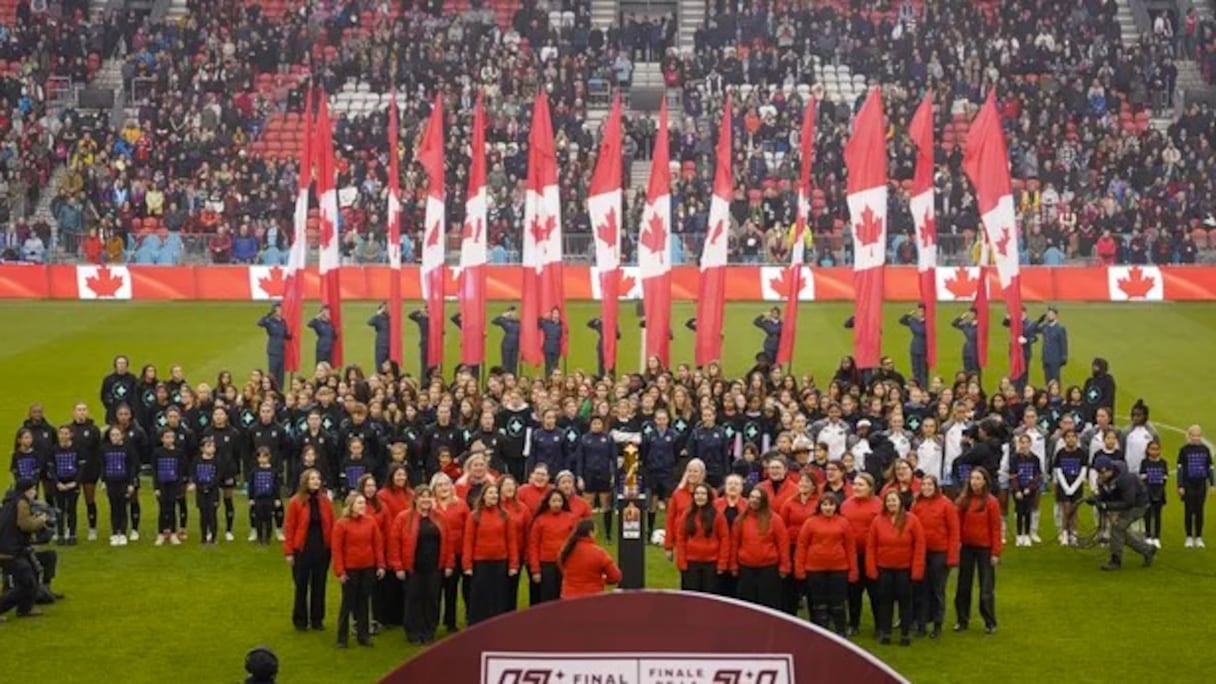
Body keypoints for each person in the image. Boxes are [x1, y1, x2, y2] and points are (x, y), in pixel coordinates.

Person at [388, 484, 454, 644]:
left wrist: (449, 564)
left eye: (428, 496)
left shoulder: (440, 517)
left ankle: (429, 630)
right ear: (415, 499)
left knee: (432, 599)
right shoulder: (403, 517)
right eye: (422, 497)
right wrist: (398, 566)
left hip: (434, 567)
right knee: (413, 599)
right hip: (413, 567)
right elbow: (394, 542)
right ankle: (414, 632)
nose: (425, 500)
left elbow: (449, 541)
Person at [866, 490, 925, 646]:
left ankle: (905, 633)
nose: (891, 503)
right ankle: (886, 633)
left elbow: (919, 546)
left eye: (894, 500)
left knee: (906, 602)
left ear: (900, 502)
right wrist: (871, 569)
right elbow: (871, 546)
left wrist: (917, 570)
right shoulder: (877, 520)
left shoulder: (912, 520)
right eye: (888, 501)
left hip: (905, 569)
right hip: (884, 569)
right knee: (884, 602)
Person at [794, 494, 857, 636]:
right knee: (818, 603)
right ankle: (820, 633)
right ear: (820, 507)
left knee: (838, 603)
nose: (828, 508)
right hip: (814, 568)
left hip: (839, 568)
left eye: (831, 505)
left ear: (836, 506)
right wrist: (799, 569)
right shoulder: (810, 522)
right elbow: (802, 546)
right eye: (825, 505)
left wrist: (853, 571)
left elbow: (850, 547)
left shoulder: (844, 522)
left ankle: (840, 632)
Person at [332, 492, 386, 648]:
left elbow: (377, 545)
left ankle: (364, 636)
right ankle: (342, 638)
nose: (363, 506)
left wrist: (380, 565)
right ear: (351, 505)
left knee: (364, 602)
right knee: (347, 603)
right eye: (359, 503)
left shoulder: (371, 522)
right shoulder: (341, 524)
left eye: (364, 503)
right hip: (350, 569)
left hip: (367, 567)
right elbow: (337, 550)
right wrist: (340, 571)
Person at [284, 468, 334, 632]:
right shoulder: (295, 502)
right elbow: (290, 528)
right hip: (302, 549)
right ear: (305, 481)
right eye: (312, 479)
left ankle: (317, 619)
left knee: (319, 585)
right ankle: (300, 620)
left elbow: (332, 524)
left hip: (322, 549)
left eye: (317, 479)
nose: (316, 481)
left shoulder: (325, 501)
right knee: (301, 585)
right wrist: (289, 552)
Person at [462, 484, 519, 624]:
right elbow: (468, 541)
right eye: (490, 493)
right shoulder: (474, 516)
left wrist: (513, 564)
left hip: (500, 561)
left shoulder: (505, 515)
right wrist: (467, 564)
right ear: (484, 496)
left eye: (496, 493)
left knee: (499, 594)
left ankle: (497, 622)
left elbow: (511, 541)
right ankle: (478, 623)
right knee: (480, 594)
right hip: (480, 562)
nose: (494, 496)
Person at [910, 475, 958, 638]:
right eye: (924, 484)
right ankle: (921, 624)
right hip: (921, 552)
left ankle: (937, 624)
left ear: (936, 486)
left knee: (937, 590)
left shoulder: (946, 504)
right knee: (921, 590)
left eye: (930, 484)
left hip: (940, 552)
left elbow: (954, 531)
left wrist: (952, 557)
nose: (926, 487)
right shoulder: (917, 504)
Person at [954, 468, 1001, 633]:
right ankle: (962, 619)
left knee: (986, 588)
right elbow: (957, 524)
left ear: (985, 481)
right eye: (972, 478)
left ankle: (989, 621)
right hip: (966, 548)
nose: (974, 482)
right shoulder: (963, 500)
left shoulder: (991, 502)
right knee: (963, 585)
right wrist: (957, 543)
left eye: (978, 478)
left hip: (985, 549)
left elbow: (996, 528)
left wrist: (995, 552)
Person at [1090, 455, 1156, 570]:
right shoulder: (1105, 479)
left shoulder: (1126, 479)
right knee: (1119, 532)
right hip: (1125, 503)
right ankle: (1147, 550)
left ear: (1109, 470)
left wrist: (1106, 506)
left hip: (1138, 505)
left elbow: (1129, 502)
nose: (1100, 476)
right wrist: (1096, 499)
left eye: (1102, 473)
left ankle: (1115, 561)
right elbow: (1106, 494)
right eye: (1099, 473)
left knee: (1117, 528)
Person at [729, 487, 789, 609]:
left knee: (768, 603)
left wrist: (785, 567)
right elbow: (734, 543)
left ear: (764, 501)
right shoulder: (740, 520)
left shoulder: (775, 519)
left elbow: (783, 544)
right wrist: (733, 565)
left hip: (768, 568)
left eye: (758, 498)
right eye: (752, 497)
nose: (754, 500)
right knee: (747, 604)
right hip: (746, 567)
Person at [0, 479, 49, 619]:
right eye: (33, 489)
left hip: (11, 548)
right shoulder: (21, 503)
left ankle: (25, 609)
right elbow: (25, 525)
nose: (35, 492)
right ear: (26, 490)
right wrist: (41, 520)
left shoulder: (9, 502)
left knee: (33, 575)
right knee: (26, 584)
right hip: (11, 550)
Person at [841, 473, 881, 636]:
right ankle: (854, 623)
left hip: (873, 556)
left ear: (870, 488)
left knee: (876, 593)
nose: (856, 488)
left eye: (860, 485)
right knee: (853, 592)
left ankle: (880, 626)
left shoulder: (879, 504)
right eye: (855, 484)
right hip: (852, 555)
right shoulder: (846, 505)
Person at [432, 473, 470, 631]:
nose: (443, 488)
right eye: (440, 485)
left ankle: (450, 621)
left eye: (446, 484)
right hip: (436, 554)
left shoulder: (461, 504)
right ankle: (432, 622)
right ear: (434, 488)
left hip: (457, 552)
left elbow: (468, 529)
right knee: (434, 591)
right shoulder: (430, 506)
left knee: (452, 589)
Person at [674, 483, 729, 593]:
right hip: (691, 562)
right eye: (697, 493)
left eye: (703, 494)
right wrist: (681, 561)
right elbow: (680, 538)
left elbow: (725, 539)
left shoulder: (718, 516)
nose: (700, 496)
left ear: (708, 497)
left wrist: (722, 563)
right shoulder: (687, 514)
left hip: (711, 563)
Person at [529, 488, 577, 604]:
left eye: (559, 501)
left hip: (566, 563)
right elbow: (533, 545)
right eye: (554, 501)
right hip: (546, 564)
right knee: (548, 596)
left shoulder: (571, 518)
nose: (556, 504)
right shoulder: (540, 520)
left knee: (565, 595)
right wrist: (535, 570)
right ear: (548, 502)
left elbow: (576, 543)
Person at [573, 415, 616, 540]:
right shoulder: (584, 439)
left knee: (606, 504)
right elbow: (580, 459)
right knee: (588, 505)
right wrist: (579, 477)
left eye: (599, 423)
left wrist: (613, 474)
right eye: (594, 423)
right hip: (589, 474)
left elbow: (613, 458)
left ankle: (608, 534)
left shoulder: (608, 439)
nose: (597, 426)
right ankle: (587, 531)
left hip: (604, 474)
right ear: (590, 425)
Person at [559, 518, 622, 598]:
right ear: (590, 533)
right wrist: (602, 580)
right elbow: (615, 576)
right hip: (591, 597)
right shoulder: (599, 553)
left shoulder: (567, 550)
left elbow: (563, 568)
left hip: (569, 597)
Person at [1176, 425, 1213, 548]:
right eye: (1193, 435)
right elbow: (1180, 469)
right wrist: (1180, 485)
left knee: (1199, 511)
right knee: (1189, 510)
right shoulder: (1184, 450)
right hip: (1188, 484)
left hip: (1201, 484)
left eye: (1198, 435)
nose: (1196, 438)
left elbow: (1210, 467)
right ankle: (1188, 536)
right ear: (1189, 436)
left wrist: (1212, 483)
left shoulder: (1205, 450)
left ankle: (1198, 537)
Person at [100, 426, 138, 546]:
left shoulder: (128, 448)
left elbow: (132, 466)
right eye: (113, 435)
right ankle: (115, 532)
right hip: (111, 481)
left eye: (117, 435)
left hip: (123, 481)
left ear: (122, 436)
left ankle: (122, 532)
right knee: (113, 507)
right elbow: (103, 465)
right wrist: (103, 481)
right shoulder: (105, 448)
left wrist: (131, 483)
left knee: (122, 507)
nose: (115, 437)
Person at [1052, 429, 1088, 547]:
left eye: (1073, 436)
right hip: (1064, 486)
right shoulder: (1060, 453)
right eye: (1068, 437)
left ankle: (1074, 534)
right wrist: (1066, 487)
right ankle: (1064, 533)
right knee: (1066, 510)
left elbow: (1083, 471)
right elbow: (1058, 471)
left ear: (1076, 439)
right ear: (1064, 439)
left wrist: (1074, 487)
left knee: (1074, 510)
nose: (1071, 439)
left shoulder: (1081, 453)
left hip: (1076, 486)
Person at [152, 429, 185, 546]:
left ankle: (173, 533)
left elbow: (180, 471)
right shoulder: (157, 452)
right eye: (167, 437)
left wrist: (179, 487)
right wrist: (156, 487)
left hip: (173, 484)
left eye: (171, 437)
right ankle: (161, 533)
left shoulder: (179, 453)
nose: (169, 439)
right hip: (162, 484)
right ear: (162, 439)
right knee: (162, 509)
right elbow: (155, 471)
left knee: (172, 508)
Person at [1009, 434, 1043, 547]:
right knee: (1019, 511)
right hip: (1018, 489)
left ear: (1030, 444)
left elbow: (1037, 475)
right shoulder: (1014, 458)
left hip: (1030, 489)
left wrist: (1030, 487)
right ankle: (1019, 535)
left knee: (1028, 511)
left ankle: (1027, 535)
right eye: (1022, 443)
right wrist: (1017, 490)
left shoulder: (1035, 459)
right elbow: (1013, 475)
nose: (1024, 445)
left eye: (1026, 442)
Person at [189, 436, 223, 544]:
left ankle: (213, 537)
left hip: (213, 491)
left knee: (212, 514)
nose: (212, 448)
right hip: (200, 491)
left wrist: (209, 486)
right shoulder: (196, 460)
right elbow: (194, 474)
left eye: (213, 446)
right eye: (208, 446)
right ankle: (203, 536)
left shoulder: (217, 461)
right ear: (202, 448)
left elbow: (218, 476)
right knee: (203, 514)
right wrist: (199, 486)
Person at [1139, 439, 1168, 548]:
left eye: (1156, 449)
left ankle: (1156, 537)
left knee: (1157, 515)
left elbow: (1164, 478)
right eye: (1152, 449)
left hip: (1159, 492)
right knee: (1147, 514)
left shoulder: (1163, 462)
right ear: (1148, 450)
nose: (1154, 452)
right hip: (1147, 492)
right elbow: (1142, 477)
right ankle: (1147, 536)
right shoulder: (1144, 462)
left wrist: (1159, 490)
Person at [1002, 306, 1038, 390]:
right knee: (1014, 371)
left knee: (1023, 373)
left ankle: (1022, 390)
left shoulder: (1030, 324)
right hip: (1014, 352)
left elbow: (1035, 338)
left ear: (1025, 313)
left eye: (1021, 312)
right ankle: (1014, 389)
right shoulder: (1015, 322)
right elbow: (1005, 323)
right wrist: (1007, 317)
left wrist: (1026, 340)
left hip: (1024, 352)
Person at [257, 303, 290, 389]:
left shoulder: (283, 322)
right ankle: (271, 389)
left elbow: (285, 334)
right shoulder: (270, 321)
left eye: (281, 309)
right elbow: (260, 323)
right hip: (273, 351)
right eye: (278, 309)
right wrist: (268, 315)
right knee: (273, 373)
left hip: (281, 351)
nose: (280, 311)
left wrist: (290, 336)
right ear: (274, 311)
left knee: (281, 374)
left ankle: (280, 390)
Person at [99, 354, 138, 424]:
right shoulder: (108, 379)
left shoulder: (132, 379)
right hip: (112, 415)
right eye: (119, 363)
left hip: (129, 414)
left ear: (127, 365)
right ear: (115, 365)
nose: (121, 365)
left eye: (123, 363)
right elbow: (104, 396)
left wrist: (131, 407)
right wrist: (111, 406)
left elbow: (136, 395)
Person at [897, 304, 929, 387]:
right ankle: (916, 386)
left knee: (923, 370)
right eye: (919, 310)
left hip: (924, 348)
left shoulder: (927, 322)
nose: (920, 312)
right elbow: (901, 320)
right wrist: (909, 314)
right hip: (914, 347)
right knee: (915, 369)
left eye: (922, 311)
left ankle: (924, 387)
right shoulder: (913, 321)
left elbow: (921, 331)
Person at [1037, 306, 1068, 384]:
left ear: (1056, 315)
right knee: (1047, 380)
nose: (1049, 316)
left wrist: (1064, 356)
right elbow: (1034, 329)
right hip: (1045, 358)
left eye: (1051, 314)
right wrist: (1039, 321)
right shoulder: (1045, 327)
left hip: (1055, 359)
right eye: (1049, 314)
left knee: (1055, 381)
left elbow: (1063, 343)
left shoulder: (1060, 328)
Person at [1081, 358, 1116, 425]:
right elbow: (1084, 397)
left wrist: (1097, 410)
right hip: (1089, 416)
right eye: (1093, 366)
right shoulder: (1089, 381)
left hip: (1102, 415)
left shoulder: (1108, 381)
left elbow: (1108, 398)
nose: (1094, 369)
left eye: (1096, 366)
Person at [951, 308, 980, 381]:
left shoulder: (979, 325)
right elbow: (954, 324)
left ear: (975, 315)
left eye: (971, 314)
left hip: (975, 349)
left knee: (975, 370)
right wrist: (962, 317)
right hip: (967, 349)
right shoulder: (966, 324)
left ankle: (977, 384)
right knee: (966, 369)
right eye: (968, 314)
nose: (969, 315)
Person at [491, 306, 521, 375]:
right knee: (506, 363)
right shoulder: (504, 321)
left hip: (516, 344)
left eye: (514, 312)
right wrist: (503, 315)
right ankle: (505, 377)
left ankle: (513, 378)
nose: (513, 314)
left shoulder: (518, 322)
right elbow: (494, 321)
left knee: (514, 363)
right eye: (511, 312)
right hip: (507, 344)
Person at [539, 307, 564, 375]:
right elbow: (538, 323)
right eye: (554, 313)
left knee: (555, 366)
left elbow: (564, 335)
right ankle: (548, 379)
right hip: (548, 347)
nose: (556, 315)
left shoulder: (561, 324)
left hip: (556, 347)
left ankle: (556, 379)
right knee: (548, 366)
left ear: (559, 315)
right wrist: (543, 316)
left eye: (557, 313)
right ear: (552, 314)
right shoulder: (546, 323)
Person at [407, 309, 431, 379]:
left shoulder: (434, 318)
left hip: (433, 345)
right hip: (424, 344)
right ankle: (424, 381)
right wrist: (419, 310)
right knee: (424, 365)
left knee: (433, 365)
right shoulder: (421, 319)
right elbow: (411, 315)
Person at [368, 303, 391, 372]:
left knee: (391, 365)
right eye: (385, 308)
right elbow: (370, 322)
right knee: (380, 364)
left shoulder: (392, 319)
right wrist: (378, 314)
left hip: (392, 345)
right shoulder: (379, 318)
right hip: (381, 345)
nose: (387, 309)